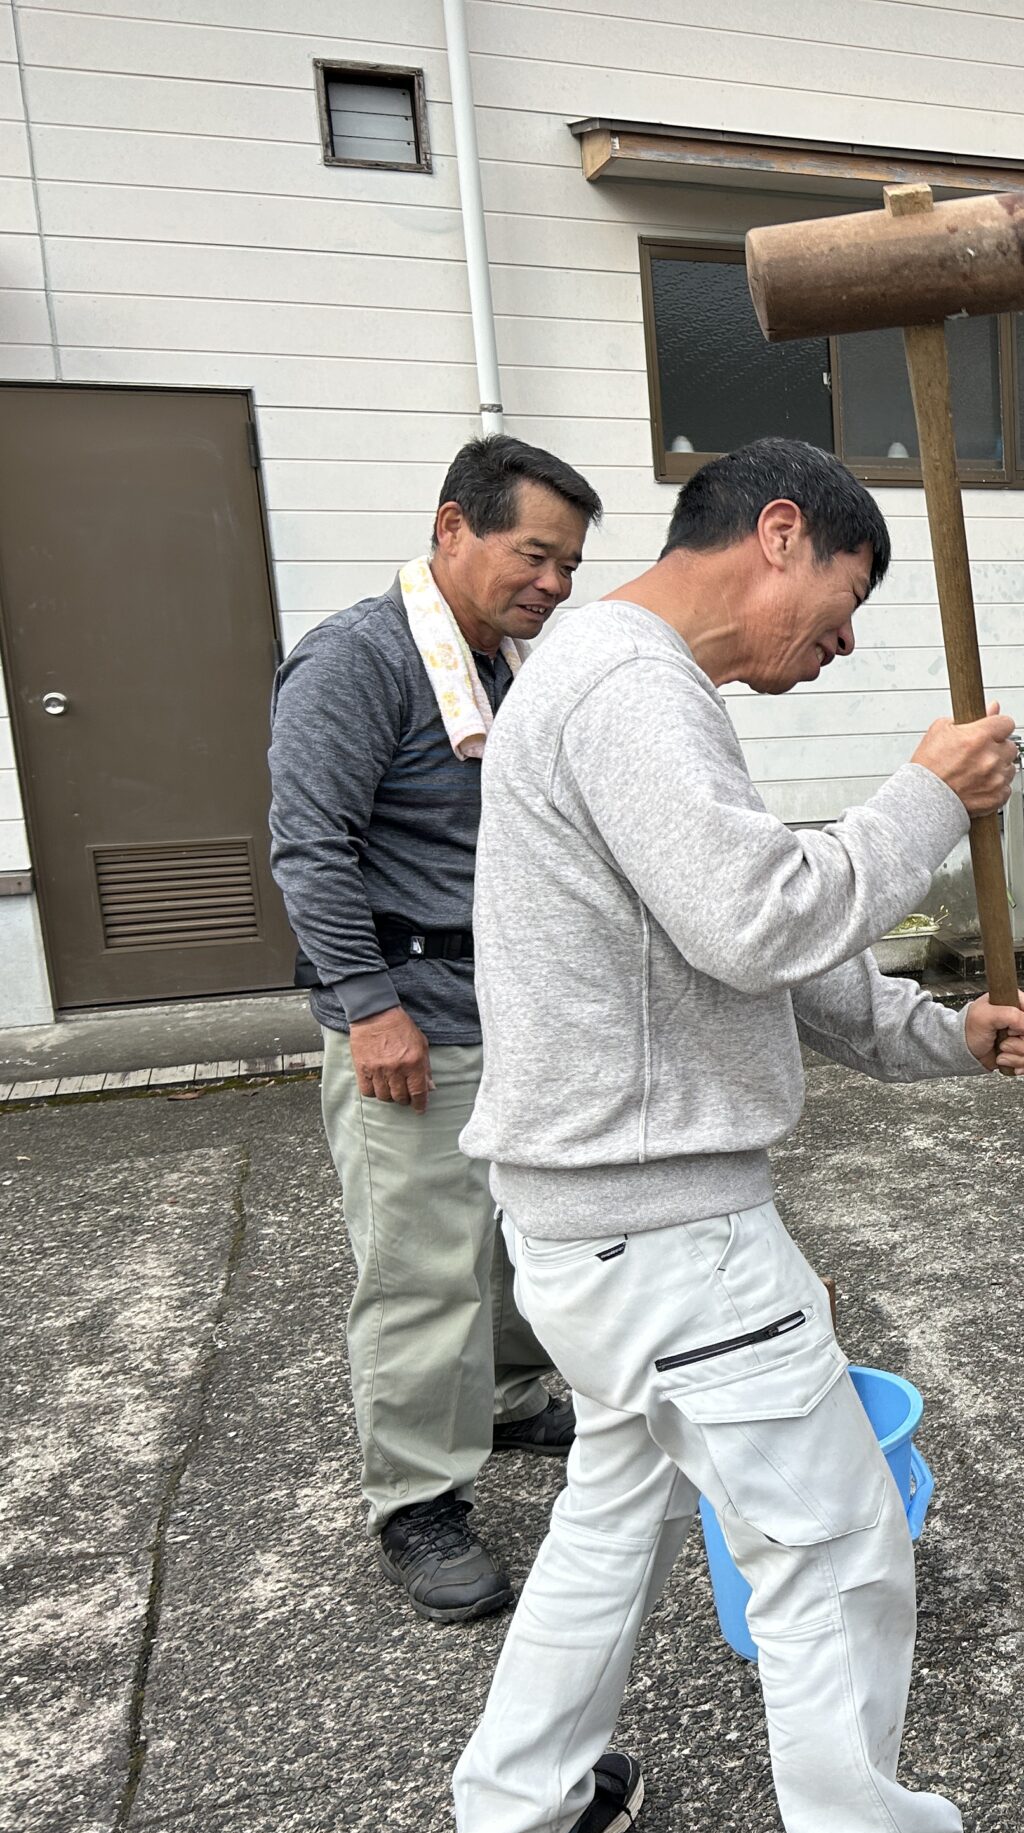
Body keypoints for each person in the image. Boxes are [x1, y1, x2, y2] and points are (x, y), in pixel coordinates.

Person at [446, 439, 1024, 1833]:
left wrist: (936, 1034)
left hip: (588, 1227)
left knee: (613, 1511)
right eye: (841, 607)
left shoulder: (612, 682)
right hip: (668, 1235)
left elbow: (721, 947)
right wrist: (926, 798)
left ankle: (522, 1819)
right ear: (777, 535)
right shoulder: (630, 685)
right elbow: (752, 919)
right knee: (835, 1550)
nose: (840, 648)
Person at [267, 435, 601, 1622]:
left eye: (567, 564)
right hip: (408, 1015)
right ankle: (414, 1499)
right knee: (419, 1268)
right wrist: (367, 1010)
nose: (553, 585)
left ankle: (509, 1399)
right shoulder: (360, 661)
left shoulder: (490, 665)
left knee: (508, 1237)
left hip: (504, 1011)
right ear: (452, 527)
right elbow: (308, 848)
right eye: (534, 554)